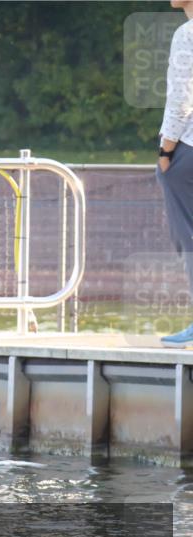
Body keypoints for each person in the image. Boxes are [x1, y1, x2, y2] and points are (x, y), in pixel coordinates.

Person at [157, 0, 193, 348]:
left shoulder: (187, 33)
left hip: (189, 149)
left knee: (188, 237)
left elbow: (181, 98)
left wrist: (166, 150)